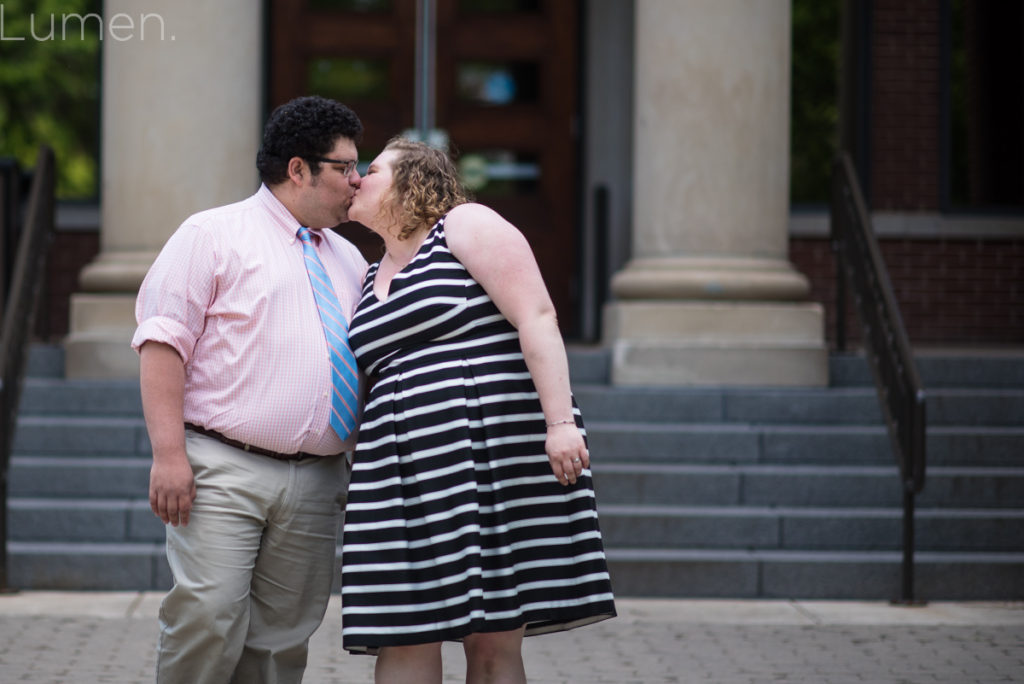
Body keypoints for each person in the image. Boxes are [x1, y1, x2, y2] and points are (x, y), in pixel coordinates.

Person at [340, 136, 617, 683]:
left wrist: (560, 424)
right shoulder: (371, 276)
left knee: (490, 635)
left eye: (369, 170)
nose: (354, 179)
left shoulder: (464, 225)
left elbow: (536, 316)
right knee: (401, 629)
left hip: (487, 455)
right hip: (399, 471)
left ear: (411, 181)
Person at [132, 95, 368, 684]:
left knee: (282, 638)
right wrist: (168, 455)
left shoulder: (348, 258)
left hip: (318, 477)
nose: (357, 182)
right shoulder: (211, 234)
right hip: (222, 468)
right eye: (345, 167)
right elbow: (162, 343)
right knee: (207, 617)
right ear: (298, 169)